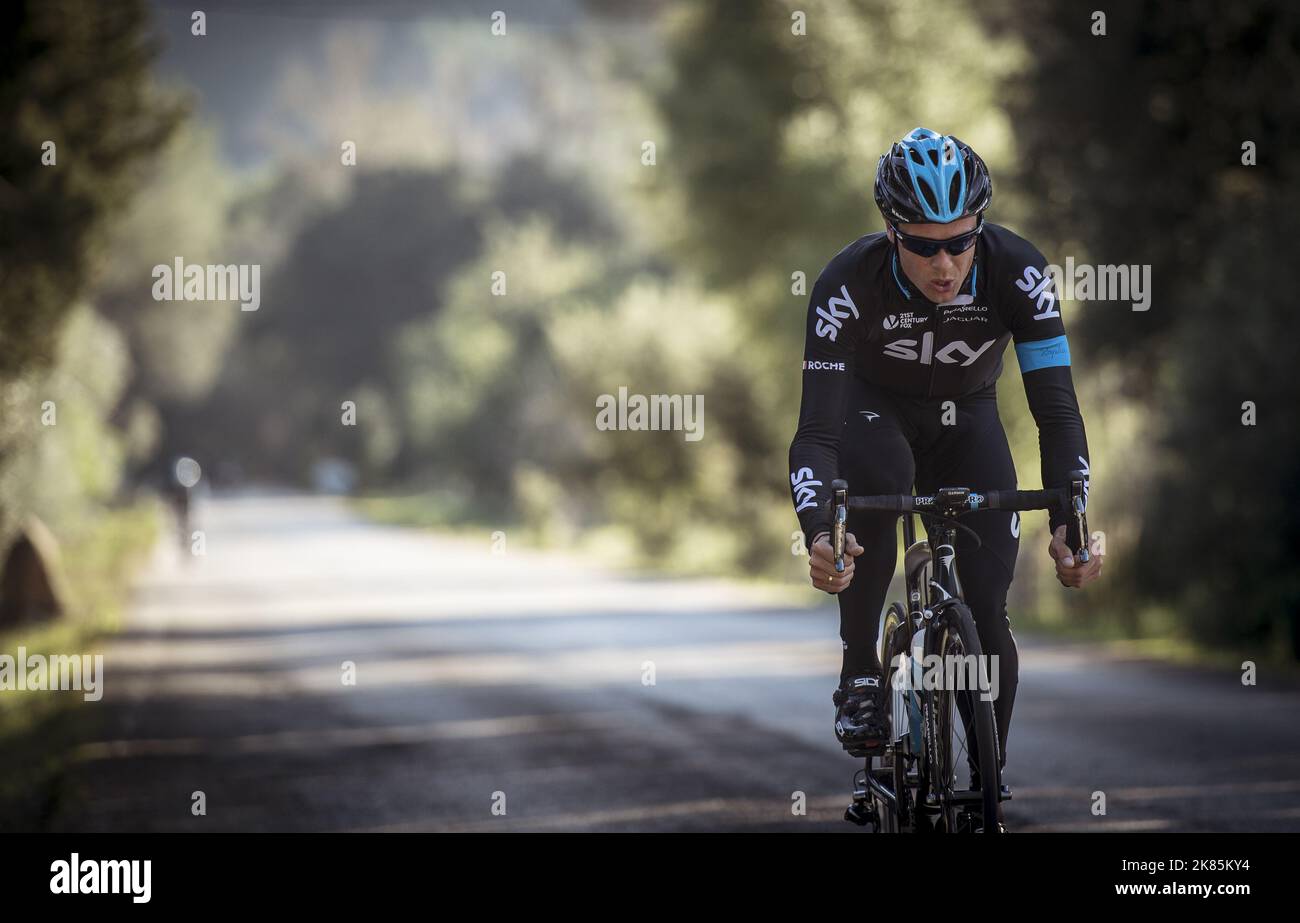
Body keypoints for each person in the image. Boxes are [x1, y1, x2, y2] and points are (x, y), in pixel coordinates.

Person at [788, 127, 1103, 779]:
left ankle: (989, 780)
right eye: (925, 246)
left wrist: (1073, 521)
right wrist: (821, 532)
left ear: (979, 227)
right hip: (872, 414)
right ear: (891, 228)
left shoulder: (1019, 270)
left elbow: (1057, 411)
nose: (945, 265)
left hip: (970, 420)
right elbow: (816, 436)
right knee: (880, 477)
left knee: (987, 605)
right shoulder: (847, 284)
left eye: (962, 241)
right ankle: (861, 673)